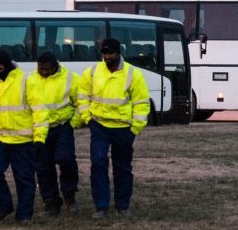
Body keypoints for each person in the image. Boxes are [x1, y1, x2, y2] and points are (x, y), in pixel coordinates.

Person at [77, 38, 149, 219]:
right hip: (99, 126)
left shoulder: (133, 74)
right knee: (98, 164)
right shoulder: (92, 72)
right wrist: (88, 119)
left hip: (123, 129)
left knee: (122, 168)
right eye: (104, 53)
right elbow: (83, 96)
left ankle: (122, 206)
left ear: (119, 53)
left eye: (110, 53)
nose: (107, 57)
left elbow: (141, 103)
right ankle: (101, 206)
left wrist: (135, 129)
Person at [0, 49, 45, 224]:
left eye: (0, 68)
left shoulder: (26, 81)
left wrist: (40, 137)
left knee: (24, 178)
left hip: (23, 141)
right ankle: (4, 206)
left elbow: (40, 111)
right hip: (0, 139)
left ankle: (24, 215)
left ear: (8, 65)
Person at [29, 51, 81, 215]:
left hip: (62, 127)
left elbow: (82, 102)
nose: (43, 72)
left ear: (55, 66)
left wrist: (73, 123)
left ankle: (69, 195)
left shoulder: (71, 79)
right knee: (43, 166)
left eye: (47, 69)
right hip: (40, 129)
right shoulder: (30, 80)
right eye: (40, 69)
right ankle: (51, 201)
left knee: (66, 159)